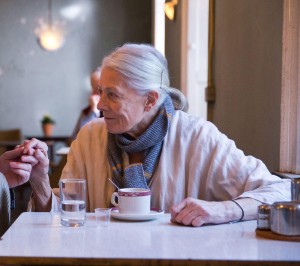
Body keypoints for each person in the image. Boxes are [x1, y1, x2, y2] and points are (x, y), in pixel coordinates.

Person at [13, 43, 290, 227]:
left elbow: (280, 190)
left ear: (150, 100)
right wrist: (39, 181)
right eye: (101, 91)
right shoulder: (89, 138)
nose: (99, 105)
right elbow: (62, 221)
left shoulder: (198, 137)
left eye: (113, 95)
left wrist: (224, 210)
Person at [72, 67, 102, 139]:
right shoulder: (86, 111)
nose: (93, 93)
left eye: (97, 88)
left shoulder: (112, 112)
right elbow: (76, 138)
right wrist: (93, 112)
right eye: (92, 88)